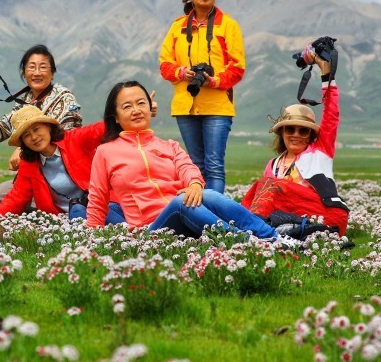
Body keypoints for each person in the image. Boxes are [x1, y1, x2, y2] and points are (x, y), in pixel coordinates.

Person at [86, 81, 286, 242]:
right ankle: (247, 243)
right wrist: (92, 242)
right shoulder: (105, 152)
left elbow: (187, 168)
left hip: (188, 218)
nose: (136, 110)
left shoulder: (169, 145)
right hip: (150, 231)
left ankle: (273, 237)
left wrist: (195, 184)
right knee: (182, 201)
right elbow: (97, 199)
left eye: (141, 103)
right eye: (127, 106)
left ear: (150, 107)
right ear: (116, 117)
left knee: (209, 194)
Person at [242, 50, 349, 236]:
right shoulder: (273, 165)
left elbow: (331, 115)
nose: (296, 134)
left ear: (311, 134)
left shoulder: (320, 151)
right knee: (257, 189)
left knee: (269, 185)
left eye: (303, 130)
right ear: (282, 132)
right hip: (293, 216)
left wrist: (326, 75)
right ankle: (269, 231)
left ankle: (250, 231)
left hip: (326, 215)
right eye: (290, 129)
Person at [158, 0, 246, 194]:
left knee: (214, 166)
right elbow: (164, 64)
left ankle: (214, 217)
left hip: (217, 106)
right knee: (196, 166)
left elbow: (237, 67)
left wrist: (214, 81)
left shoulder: (228, 25)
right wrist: (181, 72)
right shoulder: (177, 27)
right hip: (185, 106)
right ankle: (201, 215)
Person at [0, 44, 82, 205]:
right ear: (24, 73)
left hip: (66, 172)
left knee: (12, 199)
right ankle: (53, 205)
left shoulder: (65, 97)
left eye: (43, 67)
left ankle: (64, 203)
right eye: (31, 67)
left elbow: (63, 136)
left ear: (52, 73)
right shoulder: (24, 102)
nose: (37, 73)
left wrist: (22, 149)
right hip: (34, 173)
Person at [0, 106, 125, 224]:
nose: (34, 137)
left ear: (48, 127)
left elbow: (102, 129)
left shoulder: (74, 139)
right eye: (27, 135)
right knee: (78, 211)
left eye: (36, 129)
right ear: (23, 142)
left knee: (102, 210)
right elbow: (16, 198)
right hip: (66, 219)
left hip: (103, 205)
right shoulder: (28, 164)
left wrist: (130, 113)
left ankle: (130, 231)